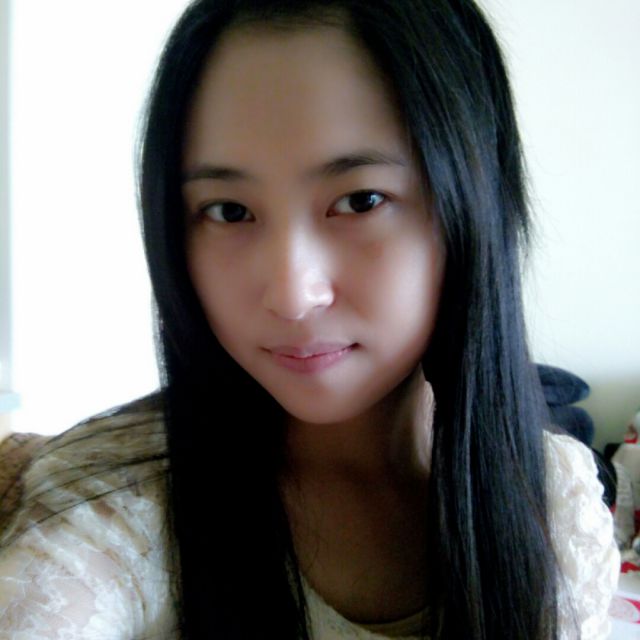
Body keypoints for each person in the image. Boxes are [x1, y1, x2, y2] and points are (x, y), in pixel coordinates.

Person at [0, 0, 620, 638]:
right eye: (229, 211)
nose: (292, 296)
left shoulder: (553, 499)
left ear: (475, 206)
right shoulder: (112, 510)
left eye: (361, 200)